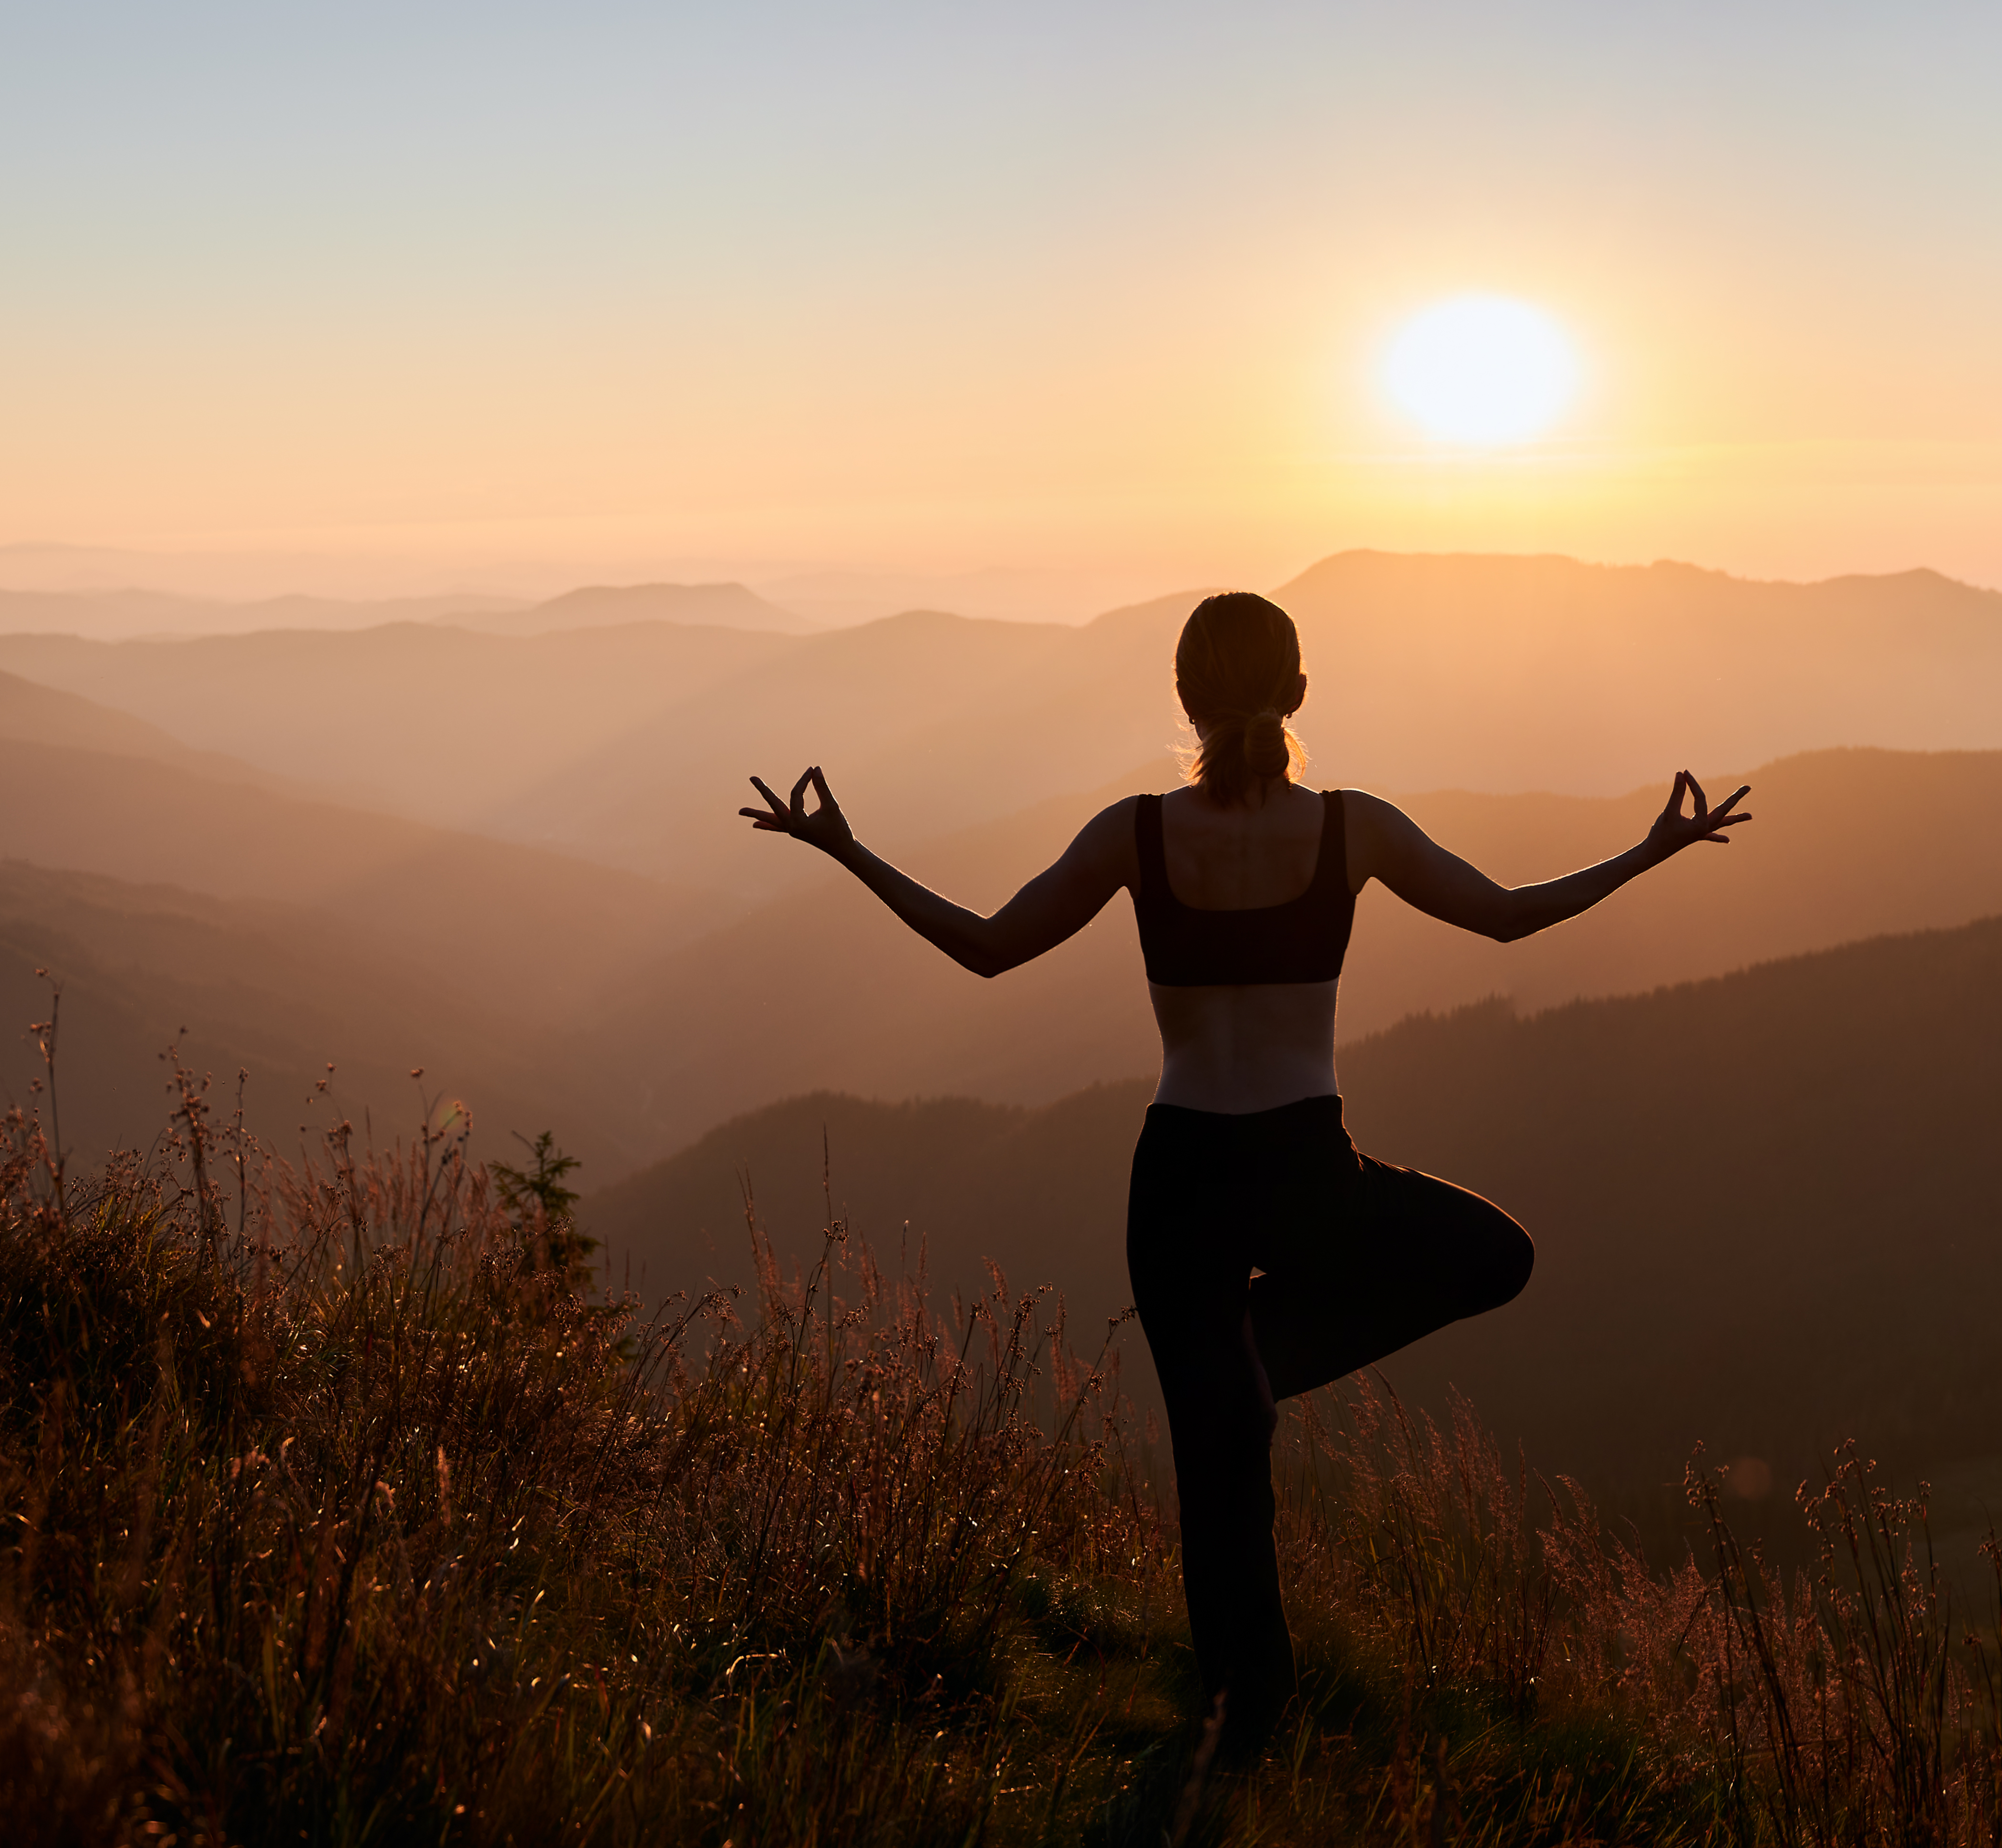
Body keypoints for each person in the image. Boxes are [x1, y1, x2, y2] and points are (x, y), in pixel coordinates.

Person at [741, 590, 1753, 1742]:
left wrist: (847, 847)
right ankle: (1257, 1497)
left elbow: (985, 947)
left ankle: (1241, 1704)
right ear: (1302, 694)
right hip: (1305, 1169)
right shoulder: (1349, 828)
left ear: (1183, 698)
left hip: (1179, 1177)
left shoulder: (1134, 831)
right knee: (1492, 1254)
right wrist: (1653, 849)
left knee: (1215, 1465)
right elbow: (1509, 916)